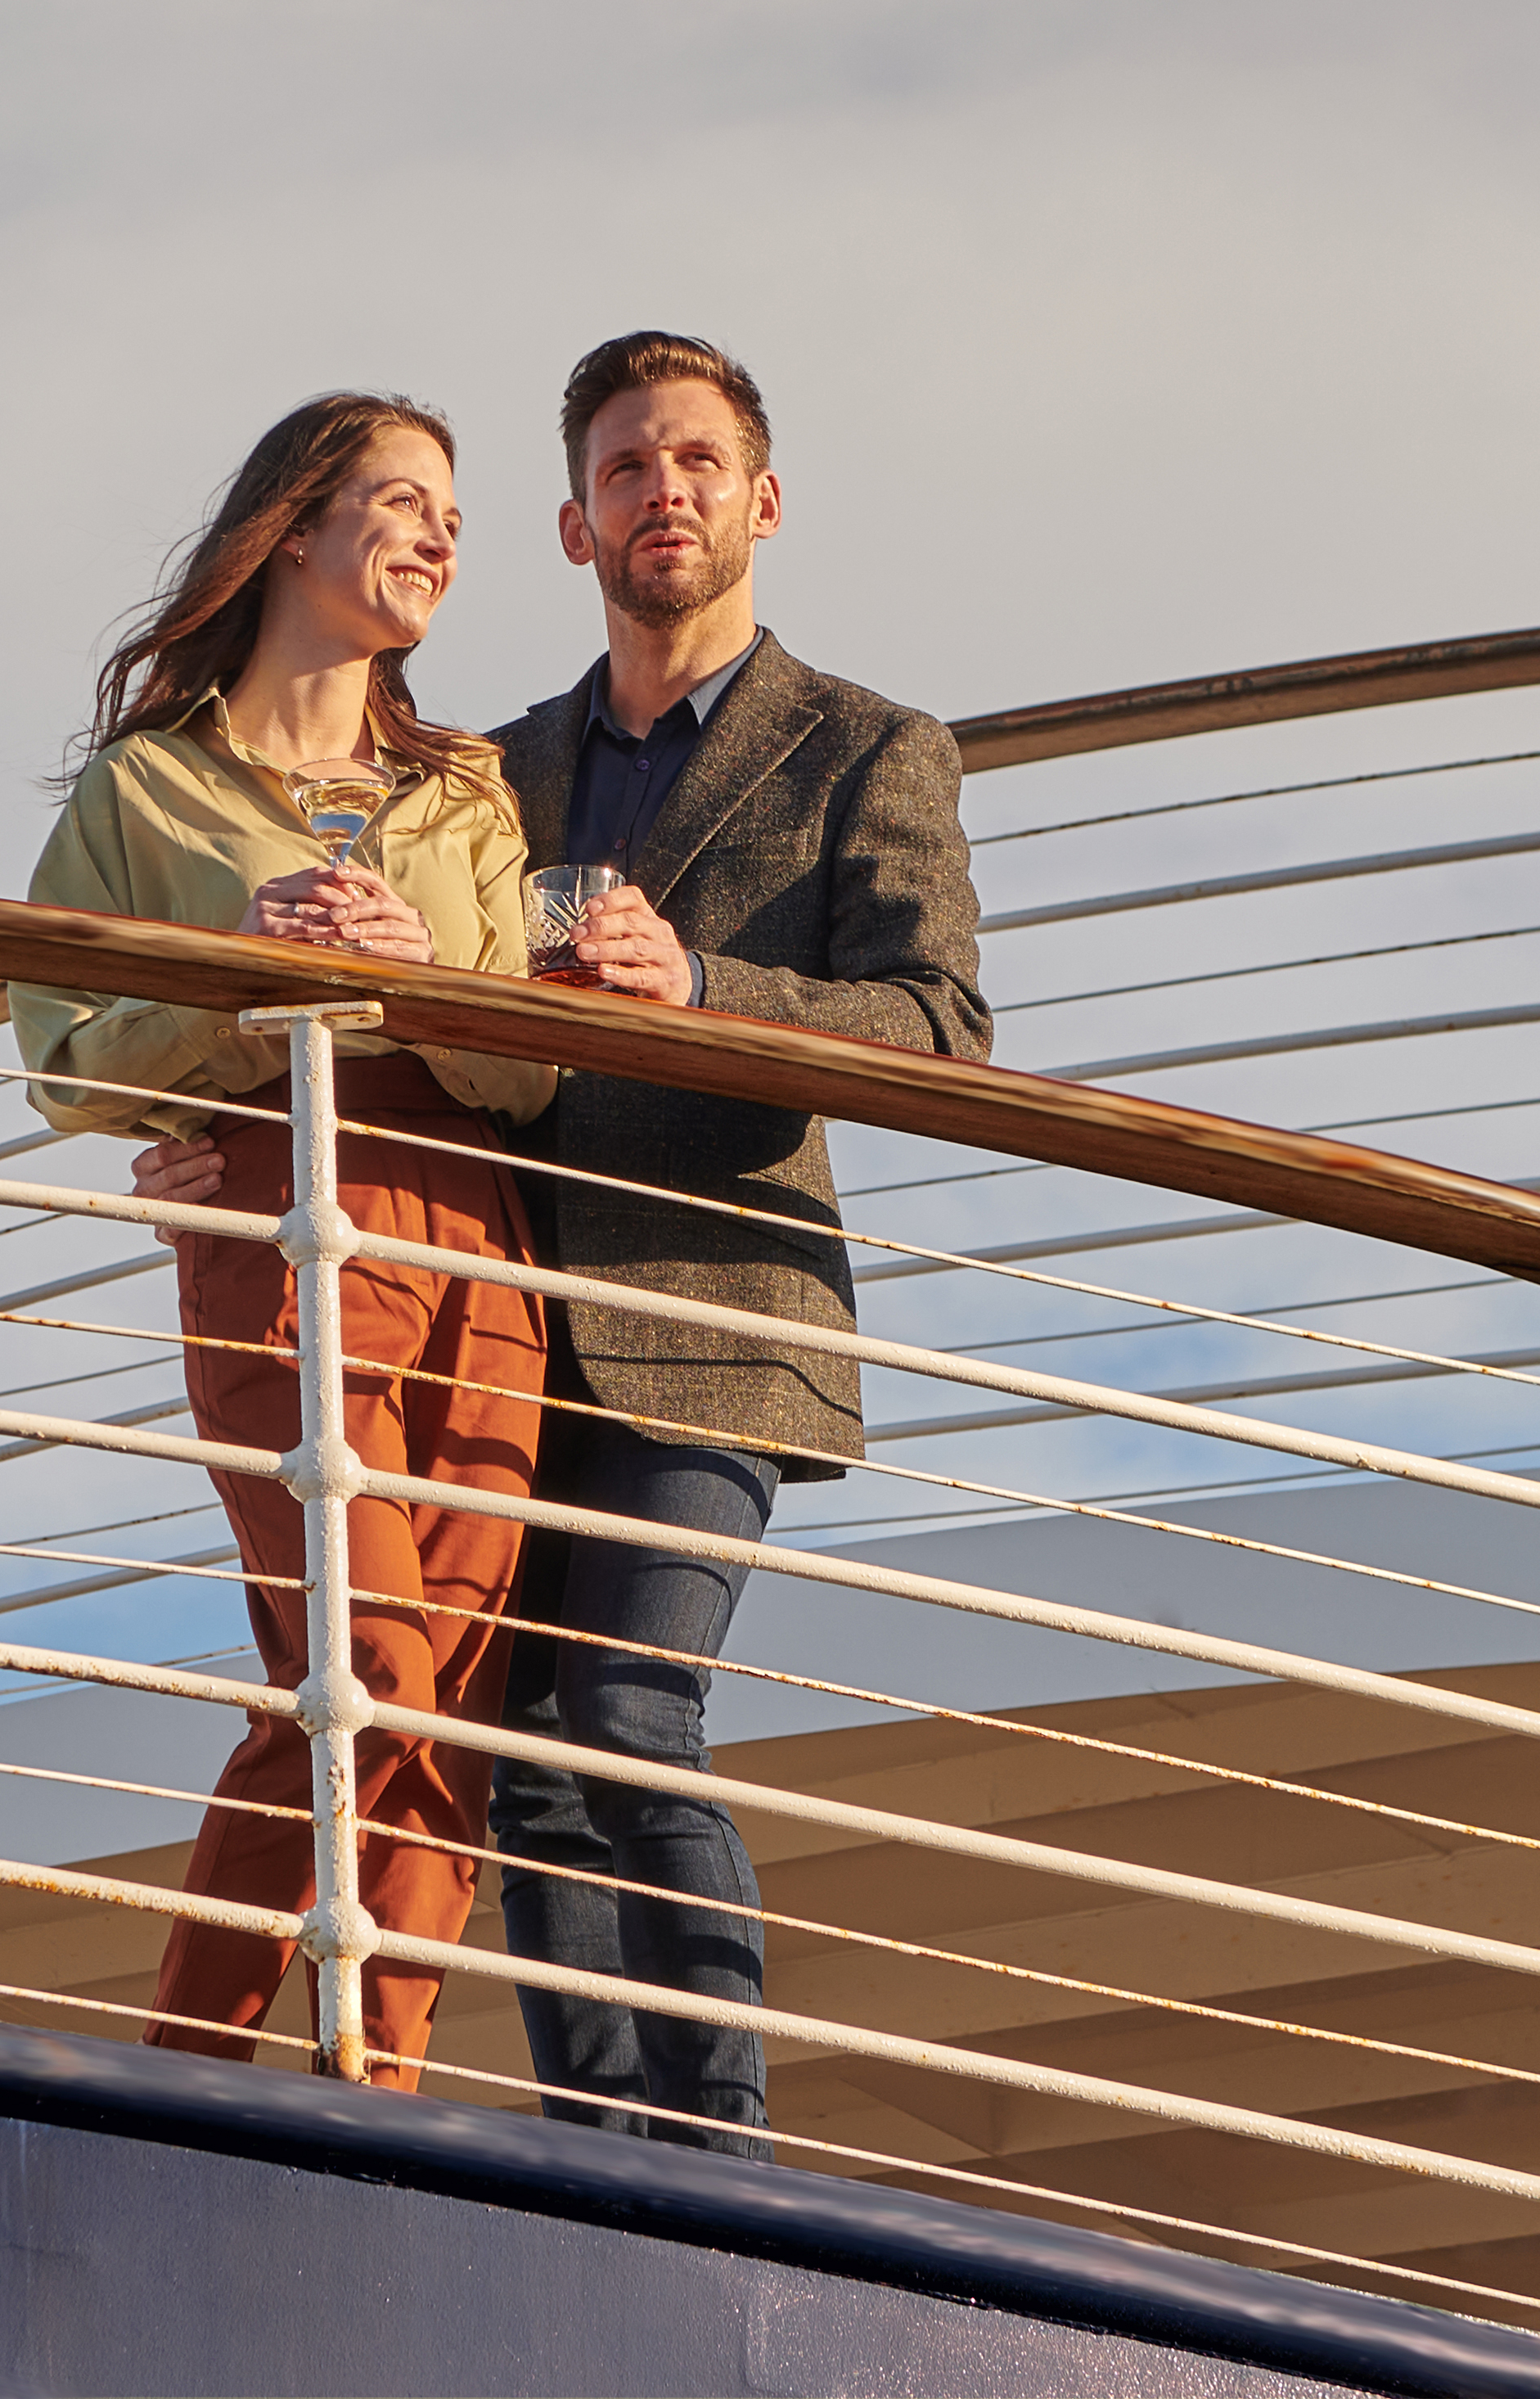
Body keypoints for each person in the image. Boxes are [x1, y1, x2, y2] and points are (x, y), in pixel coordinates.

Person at [137, 332, 988, 2154]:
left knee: (622, 1708)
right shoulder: (480, 765)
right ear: (573, 520)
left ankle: (717, 2146)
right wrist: (219, 1117)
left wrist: (705, 990)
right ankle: (588, 2155)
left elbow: (937, 1024)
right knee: (503, 1757)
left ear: (761, 501)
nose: (657, 490)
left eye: (692, 459)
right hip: (487, 1312)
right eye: (621, 466)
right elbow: (381, 1010)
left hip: (710, 1316)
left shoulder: (868, 747)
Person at [16, 392, 556, 2090]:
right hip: (272, 1229)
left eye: (455, 515)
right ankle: (281, 2082)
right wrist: (239, 996)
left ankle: (285, 2083)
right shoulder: (147, 790)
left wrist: (423, 975)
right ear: (297, 524)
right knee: (362, 1662)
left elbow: (527, 1063)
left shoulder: (463, 794)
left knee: (424, 1689)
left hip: (471, 1234)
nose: (442, 535)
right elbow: (59, 1051)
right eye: (404, 500)